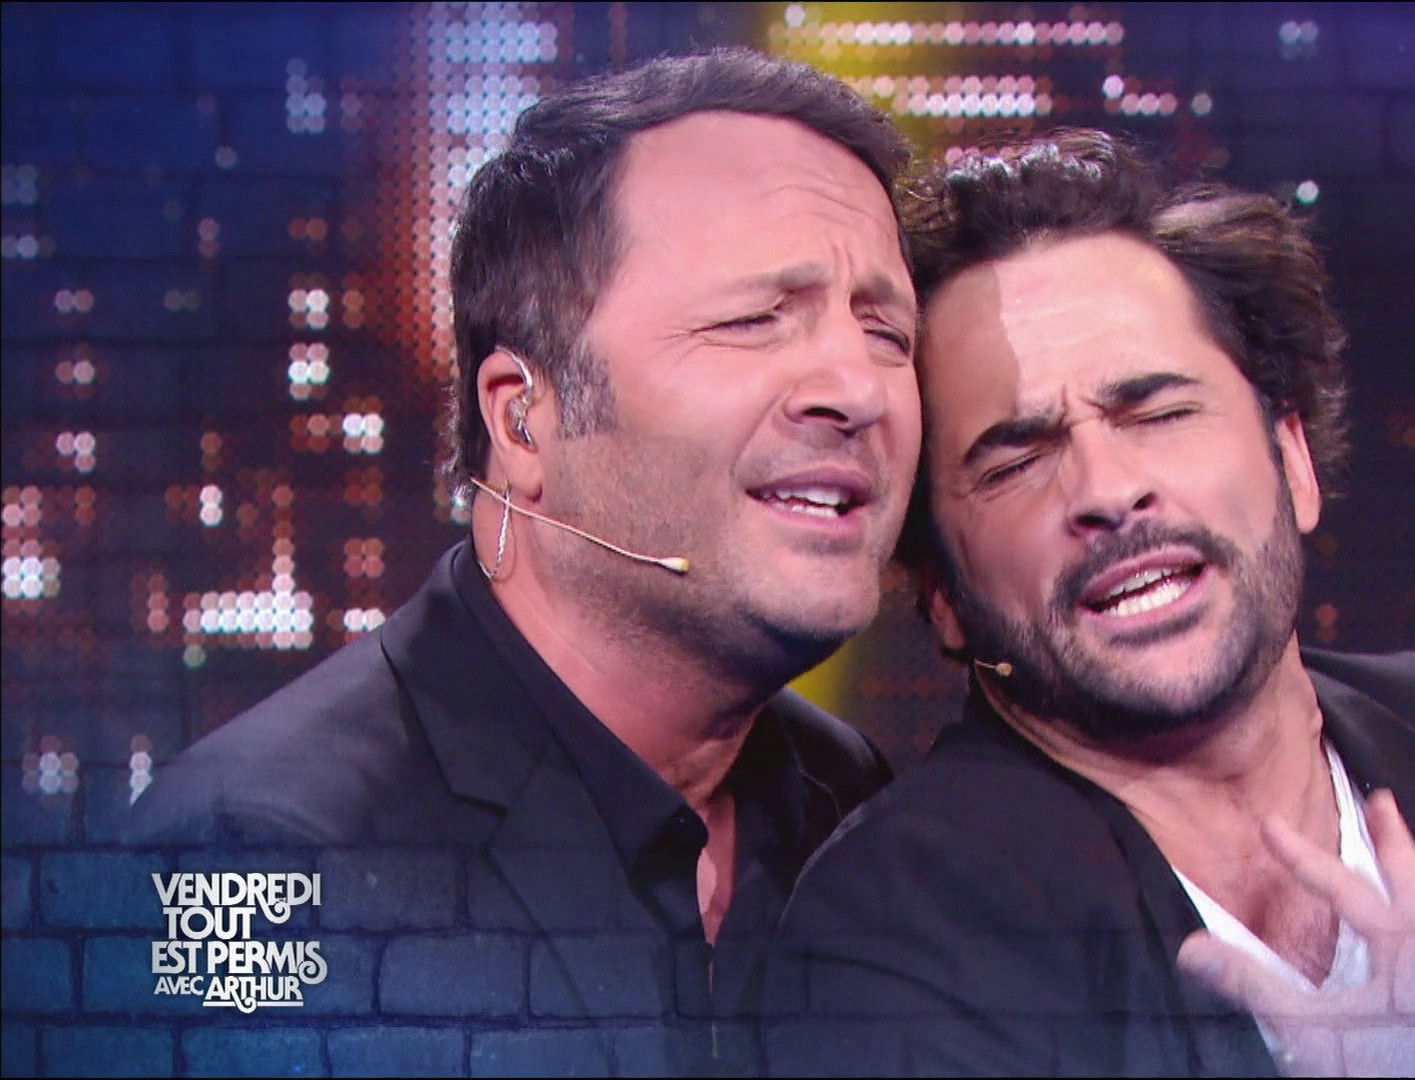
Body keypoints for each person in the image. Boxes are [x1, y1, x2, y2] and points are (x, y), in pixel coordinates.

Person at [130, 48, 919, 1075]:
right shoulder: (261, 859)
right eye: (756, 320)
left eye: (887, 332)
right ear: (523, 420)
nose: (857, 388)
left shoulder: (851, 802)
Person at [762, 130, 1415, 1077]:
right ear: (942, 596)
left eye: (1161, 414)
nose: (1107, 489)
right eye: (1015, 462)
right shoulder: (896, 936)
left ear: (1292, 459)